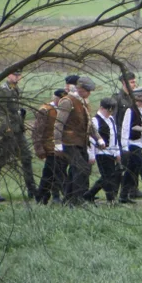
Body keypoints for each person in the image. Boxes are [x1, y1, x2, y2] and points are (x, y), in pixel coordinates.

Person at [0, 67, 37, 202]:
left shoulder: (15, 89)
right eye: (14, 75)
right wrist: (7, 130)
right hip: (7, 131)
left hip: (18, 130)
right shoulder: (2, 90)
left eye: (19, 75)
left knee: (26, 157)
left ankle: (32, 189)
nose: (17, 77)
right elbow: (1, 112)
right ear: (8, 75)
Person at [54, 75, 100, 206]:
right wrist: (57, 143)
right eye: (87, 91)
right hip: (69, 142)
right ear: (80, 89)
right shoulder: (67, 101)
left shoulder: (84, 102)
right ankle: (77, 199)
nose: (89, 94)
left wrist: (99, 138)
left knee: (78, 170)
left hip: (81, 142)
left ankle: (68, 199)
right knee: (81, 168)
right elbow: (58, 123)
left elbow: (89, 124)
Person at [118, 87, 142, 203]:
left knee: (131, 171)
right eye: (141, 98)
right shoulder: (130, 110)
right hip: (132, 144)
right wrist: (124, 148)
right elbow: (125, 129)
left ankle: (123, 196)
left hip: (141, 143)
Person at [85, 98, 122, 204]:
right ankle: (110, 199)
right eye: (108, 110)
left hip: (111, 152)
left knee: (108, 176)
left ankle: (89, 195)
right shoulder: (95, 120)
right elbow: (91, 139)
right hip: (101, 153)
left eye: (111, 111)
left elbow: (114, 137)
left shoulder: (111, 119)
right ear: (101, 108)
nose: (109, 113)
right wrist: (91, 155)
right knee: (107, 177)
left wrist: (117, 152)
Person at [33, 88, 66, 204]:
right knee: (56, 173)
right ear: (55, 98)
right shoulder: (46, 110)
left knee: (49, 174)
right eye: (60, 99)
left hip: (60, 147)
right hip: (49, 147)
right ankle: (66, 196)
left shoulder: (64, 110)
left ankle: (41, 197)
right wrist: (39, 148)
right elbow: (37, 131)